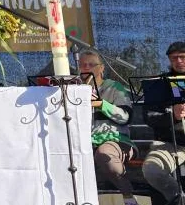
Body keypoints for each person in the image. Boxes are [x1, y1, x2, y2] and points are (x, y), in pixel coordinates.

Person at [78, 50, 137, 205]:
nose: (86, 68)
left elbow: (125, 116)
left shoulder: (115, 87)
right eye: (83, 65)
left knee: (104, 153)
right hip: (85, 143)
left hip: (116, 140)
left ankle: (129, 198)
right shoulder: (74, 91)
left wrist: (102, 104)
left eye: (91, 64)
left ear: (102, 68)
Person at [143, 41, 185, 205]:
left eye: (182, 57)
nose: (178, 61)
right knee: (152, 169)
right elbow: (149, 117)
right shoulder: (159, 85)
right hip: (170, 143)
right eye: (174, 58)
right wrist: (172, 115)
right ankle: (177, 198)